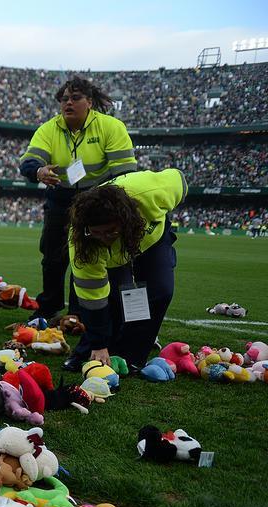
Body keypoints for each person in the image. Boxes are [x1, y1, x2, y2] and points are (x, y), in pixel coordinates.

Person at [19, 76, 137, 322]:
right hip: (60, 199)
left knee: (84, 257)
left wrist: (109, 207)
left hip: (97, 200)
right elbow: (29, 162)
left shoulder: (111, 127)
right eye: (64, 99)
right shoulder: (49, 128)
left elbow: (125, 174)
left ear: (90, 102)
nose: (68, 103)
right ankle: (49, 306)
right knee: (52, 256)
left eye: (75, 98)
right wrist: (39, 171)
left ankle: (78, 312)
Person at [63, 168, 186, 372]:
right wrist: (98, 344)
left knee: (160, 291)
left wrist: (161, 214)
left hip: (150, 238)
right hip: (114, 256)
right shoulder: (81, 241)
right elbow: (93, 299)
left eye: (110, 231)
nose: (104, 238)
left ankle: (132, 355)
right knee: (114, 296)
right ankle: (90, 351)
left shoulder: (153, 192)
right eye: (97, 232)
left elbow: (179, 180)